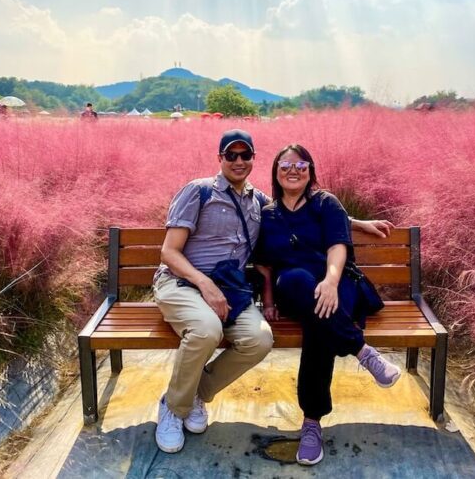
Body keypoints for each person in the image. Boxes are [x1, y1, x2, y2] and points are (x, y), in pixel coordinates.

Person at [153, 130, 393, 454]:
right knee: (208, 329)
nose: (238, 161)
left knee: (262, 338)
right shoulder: (200, 191)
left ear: (254, 159)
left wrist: (357, 223)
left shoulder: (258, 201)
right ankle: (174, 406)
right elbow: (168, 252)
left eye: (245, 155)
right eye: (231, 155)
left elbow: (312, 210)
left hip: (237, 291)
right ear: (220, 158)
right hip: (185, 283)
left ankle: (196, 392)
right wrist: (206, 284)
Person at [254, 144, 401, 466]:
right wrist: (268, 301)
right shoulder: (267, 214)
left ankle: (312, 423)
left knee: (319, 323)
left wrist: (331, 281)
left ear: (311, 171)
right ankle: (362, 351)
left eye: (301, 165)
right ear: (275, 172)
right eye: (285, 166)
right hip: (294, 290)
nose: (293, 171)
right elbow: (265, 265)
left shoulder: (326, 202)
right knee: (296, 281)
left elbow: (337, 246)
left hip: (338, 283)